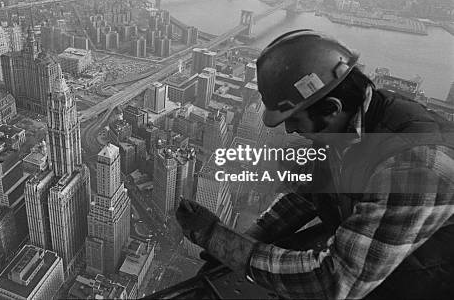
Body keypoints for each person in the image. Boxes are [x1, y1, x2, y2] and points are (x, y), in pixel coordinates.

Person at [176, 29, 454, 299]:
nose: (288, 129)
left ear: (331, 108)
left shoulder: (415, 163)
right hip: (386, 269)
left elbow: (332, 282)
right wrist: (246, 238)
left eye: (295, 119)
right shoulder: (348, 126)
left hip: (423, 284)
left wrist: (218, 240)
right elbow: (309, 192)